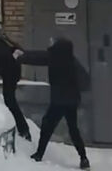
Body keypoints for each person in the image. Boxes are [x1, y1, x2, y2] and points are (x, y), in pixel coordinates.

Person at [14, 37, 91, 169]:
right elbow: (85, 81)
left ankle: (39, 154)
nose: (50, 44)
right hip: (72, 101)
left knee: (47, 125)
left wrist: (21, 57)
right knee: (73, 129)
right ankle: (83, 158)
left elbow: (37, 58)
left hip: (59, 101)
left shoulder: (54, 58)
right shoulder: (72, 61)